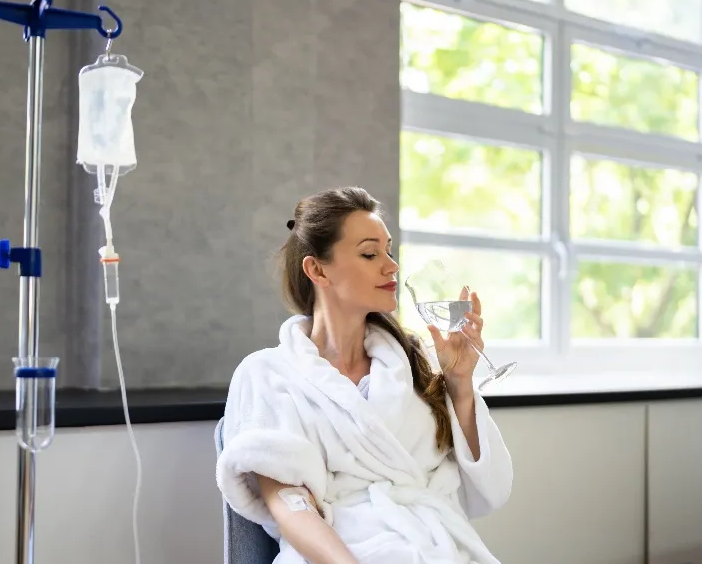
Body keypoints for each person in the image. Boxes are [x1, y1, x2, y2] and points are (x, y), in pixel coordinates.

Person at [215, 187, 513, 564]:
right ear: (317, 269)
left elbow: (485, 491)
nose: (391, 266)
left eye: (389, 251)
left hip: (438, 548)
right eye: (370, 253)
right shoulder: (267, 374)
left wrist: (460, 382)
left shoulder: (413, 362)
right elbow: (290, 505)